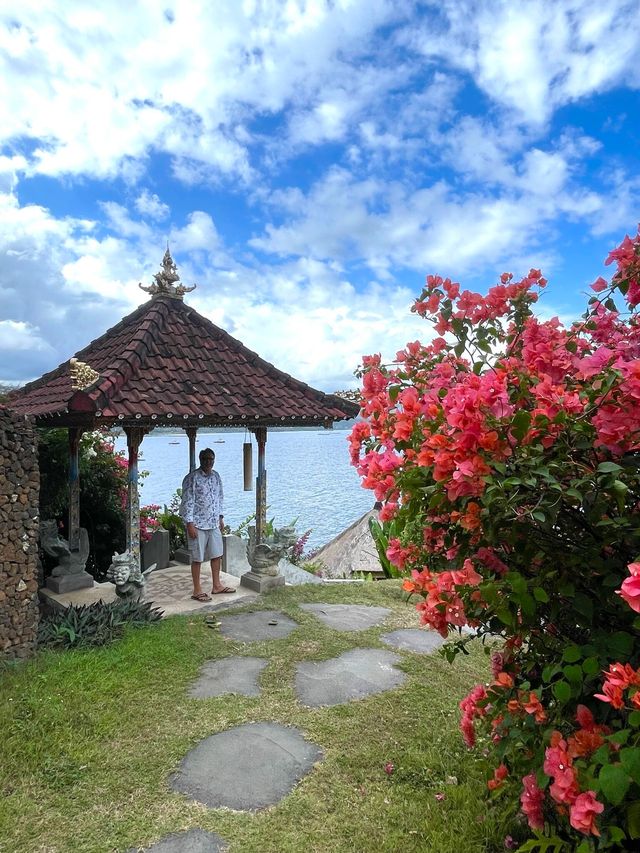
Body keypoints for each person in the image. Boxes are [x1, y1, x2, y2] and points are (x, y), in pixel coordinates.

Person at [179, 448, 235, 601]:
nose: (208, 462)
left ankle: (217, 586)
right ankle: (197, 590)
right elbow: (187, 501)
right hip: (197, 523)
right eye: (205, 459)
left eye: (211, 459)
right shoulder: (192, 478)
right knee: (197, 558)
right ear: (200, 459)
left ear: (214, 460)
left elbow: (219, 497)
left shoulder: (216, 476)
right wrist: (189, 523)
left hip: (213, 522)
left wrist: (220, 517)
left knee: (217, 554)